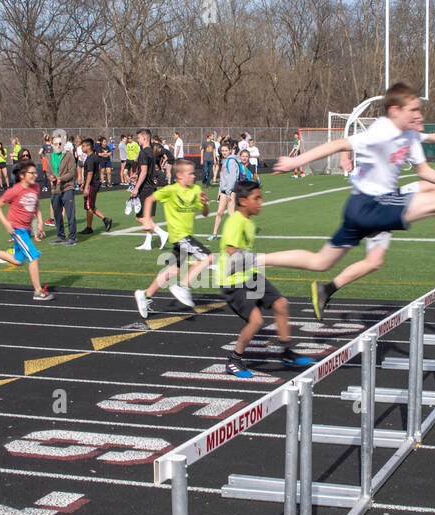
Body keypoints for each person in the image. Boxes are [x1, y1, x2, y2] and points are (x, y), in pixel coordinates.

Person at [266, 83, 435, 320]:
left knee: (321, 262)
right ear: (395, 110)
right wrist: (295, 161)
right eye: (413, 110)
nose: (419, 115)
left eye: (419, 110)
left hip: (366, 207)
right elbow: (337, 144)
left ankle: (255, 260)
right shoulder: (381, 131)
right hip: (370, 205)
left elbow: (425, 171)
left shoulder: (410, 135)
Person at [216, 180, 315, 378]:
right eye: (257, 198)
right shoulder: (235, 222)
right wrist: (261, 260)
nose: (261, 202)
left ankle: (286, 352)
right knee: (256, 321)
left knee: (280, 303)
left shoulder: (248, 221)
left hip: (249, 276)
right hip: (233, 282)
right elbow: (231, 252)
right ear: (243, 201)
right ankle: (234, 360)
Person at [134, 158, 213, 316]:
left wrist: (204, 204)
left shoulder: (196, 190)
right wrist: (148, 220)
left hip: (186, 237)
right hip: (180, 236)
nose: (194, 176)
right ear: (179, 175)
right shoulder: (171, 190)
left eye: (194, 173)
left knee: (172, 270)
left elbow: (205, 214)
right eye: (190, 173)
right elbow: (150, 199)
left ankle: (145, 295)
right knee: (208, 258)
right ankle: (183, 286)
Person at [0, 159, 54, 301]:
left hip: (26, 229)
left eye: (35, 172)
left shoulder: (35, 187)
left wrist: (40, 223)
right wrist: (6, 224)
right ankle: (38, 291)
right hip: (17, 229)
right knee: (33, 256)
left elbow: (36, 206)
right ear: (22, 175)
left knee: (18, 260)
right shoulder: (15, 190)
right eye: (31, 173)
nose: (34, 175)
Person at [129, 129, 168, 250]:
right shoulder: (151, 151)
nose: (138, 140)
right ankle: (148, 243)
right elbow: (146, 170)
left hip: (145, 188)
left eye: (139, 138)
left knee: (140, 217)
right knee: (147, 217)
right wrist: (137, 174)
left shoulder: (144, 153)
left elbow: (145, 171)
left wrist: (136, 188)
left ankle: (162, 233)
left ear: (144, 138)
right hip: (151, 187)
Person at [209, 144, 250, 241]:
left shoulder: (231, 161)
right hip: (224, 190)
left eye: (226, 150)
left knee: (230, 213)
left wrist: (228, 193)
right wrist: (220, 191)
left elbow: (233, 178)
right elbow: (223, 178)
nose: (224, 152)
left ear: (230, 151)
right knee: (219, 212)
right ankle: (214, 234)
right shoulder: (224, 161)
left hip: (231, 191)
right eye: (222, 150)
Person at [47, 134, 77, 245]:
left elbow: (72, 172)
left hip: (67, 187)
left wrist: (61, 178)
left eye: (60, 143)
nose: (58, 145)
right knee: (56, 214)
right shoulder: (49, 157)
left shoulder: (68, 155)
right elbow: (49, 172)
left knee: (70, 214)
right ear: (51, 144)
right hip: (55, 189)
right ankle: (60, 235)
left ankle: (72, 237)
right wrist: (51, 177)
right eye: (56, 143)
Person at [78, 138, 113, 235]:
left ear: (89, 146)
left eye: (84, 146)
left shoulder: (90, 158)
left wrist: (86, 187)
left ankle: (105, 220)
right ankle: (89, 227)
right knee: (89, 206)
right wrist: (84, 184)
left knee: (90, 206)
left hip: (92, 185)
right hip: (92, 184)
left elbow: (90, 173)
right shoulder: (93, 157)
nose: (82, 147)